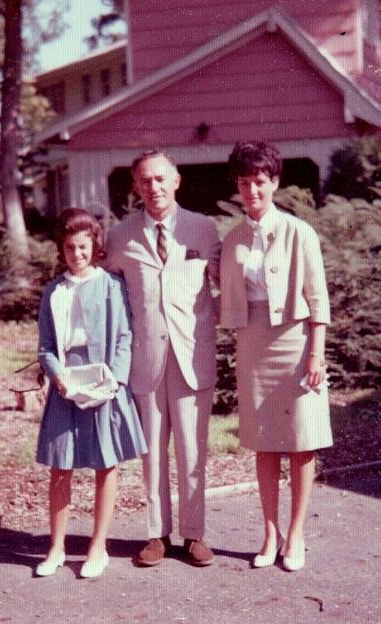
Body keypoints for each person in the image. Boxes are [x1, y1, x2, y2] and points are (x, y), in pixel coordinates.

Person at [220, 141, 333, 571]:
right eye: (245, 182)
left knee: (302, 441)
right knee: (264, 444)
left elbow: (318, 299)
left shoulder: (299, 232)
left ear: (275, 183)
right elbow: (221, 293)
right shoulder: (232, 239)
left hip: (297, 342)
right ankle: (270, 533)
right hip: (253, 343)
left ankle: (297, 532)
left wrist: (316, 355)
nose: (253, 190)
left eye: (260, 182)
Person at [106, 150, 221, 567]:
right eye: (144, 181)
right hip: (146, 359)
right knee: (152, 450)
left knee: (193, 449)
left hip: (193, 356)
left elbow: (227, 287)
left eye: (160, 179)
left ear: (176, 181)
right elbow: (108, 298)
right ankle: (157, 534)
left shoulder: (204, 229)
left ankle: (194, 535)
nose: (153, 187)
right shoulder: (119, 237)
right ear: (135, 187)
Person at [35, 208, 147, 579]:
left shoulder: (111, 285)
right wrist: (57, 376)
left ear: (94, 246)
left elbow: (124, 337)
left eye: (83, 246)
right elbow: (47, 346)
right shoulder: (54, 291)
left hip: (104, 382)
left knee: (105, 462)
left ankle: (97, 547)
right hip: (68, 382)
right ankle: (56, 548)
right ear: (62, 249)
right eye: (70, 247)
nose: (77, 253)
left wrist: (116, 378)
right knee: (60, 466)